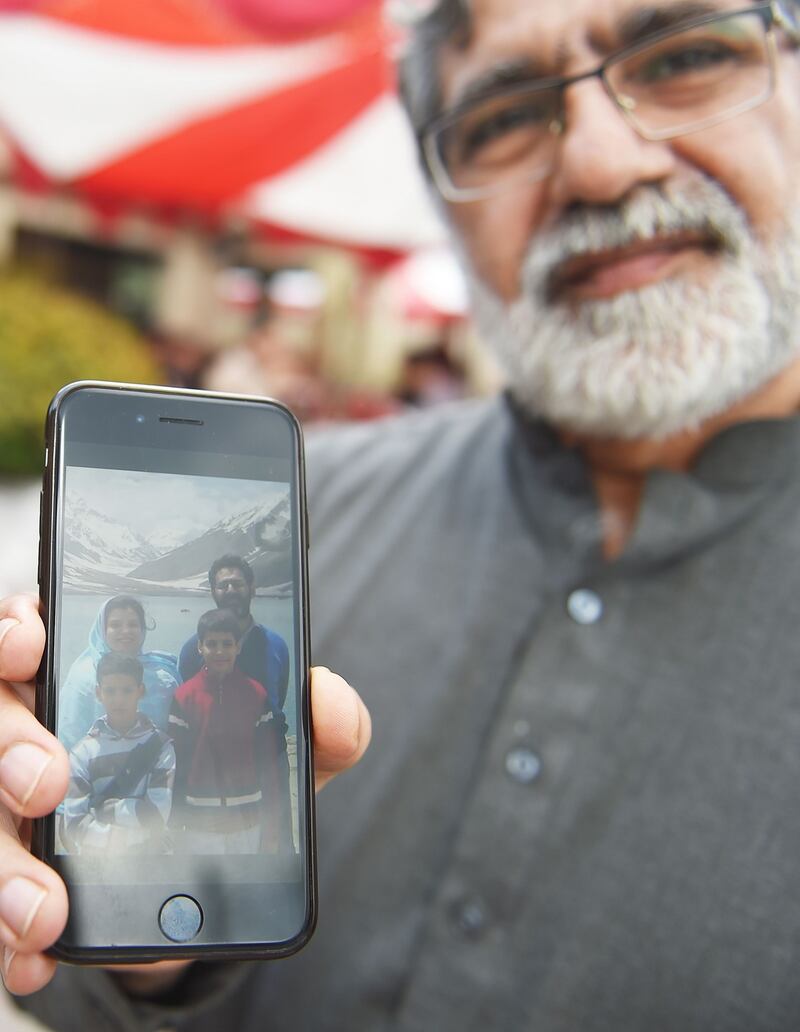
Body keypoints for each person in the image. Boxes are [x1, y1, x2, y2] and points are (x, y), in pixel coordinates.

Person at [5, 0, 800, 1027]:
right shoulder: (316, 503)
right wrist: (130, 955)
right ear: (446, 200)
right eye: (505, 115)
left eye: (686, 54)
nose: (602, 164)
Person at [169, 610, 289, 854]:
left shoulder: (256, 694)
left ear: (238, 647)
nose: (220, 651)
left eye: (227, 644)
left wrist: (272, 829)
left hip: (247, 821)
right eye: (211, 644)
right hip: (198, 823)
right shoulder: (184, 696)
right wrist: (175, 820)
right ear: (199, 647)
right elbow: (177, 763)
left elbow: (268, 764)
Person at [62, 653, 175, 856]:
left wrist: (103, 811)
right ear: (98, 693)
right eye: (110, 691)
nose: (118, 699)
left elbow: (157, 815)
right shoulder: (83, 753)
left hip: (149, 861)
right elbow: (74, 824)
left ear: (141, 691)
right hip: (96, 866)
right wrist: (126, 837)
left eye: (127, 690)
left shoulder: (161, 746)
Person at [58, 596, 180, 751]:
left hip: (157, 768)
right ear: (103, 629)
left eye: (133, 624)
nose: (125, 631)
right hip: (94, 769)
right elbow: (68, 735)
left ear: (143, 630)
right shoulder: (84, 676)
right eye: (115, 625)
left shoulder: (163, 675)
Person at [179, 556, 288, 715]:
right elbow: (187, 706)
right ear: (213, 593)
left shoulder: (276, 646)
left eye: (238, 584)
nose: (231, 590)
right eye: (223, 586)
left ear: (252, 589)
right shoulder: (191, 650)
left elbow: (278, 702)